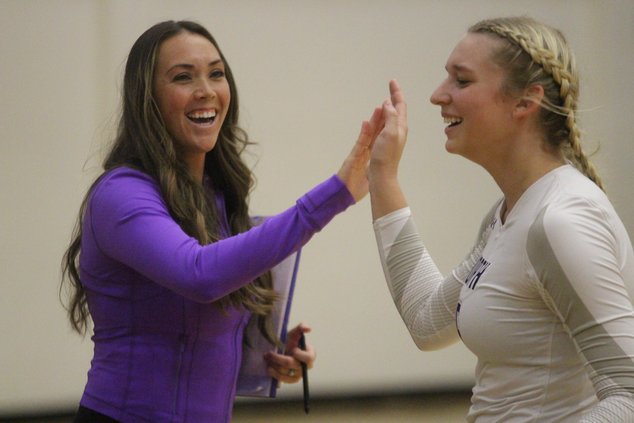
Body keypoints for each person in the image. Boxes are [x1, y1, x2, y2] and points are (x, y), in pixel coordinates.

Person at [60, 20, 382, 423]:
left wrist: (265, 352)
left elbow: (190, 333)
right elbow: (199, 275)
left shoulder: (216, 197)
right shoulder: (120, 194)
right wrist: (332, 196)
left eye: (216, 73)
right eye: (183, 77)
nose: (206, 90)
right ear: (147, 99)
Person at [368, 17, 634, 422]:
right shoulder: (509, 213)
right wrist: (382, 176)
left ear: (525, 102)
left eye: (461, 80)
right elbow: (427, 322)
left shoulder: (559, 222)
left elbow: (628, 397)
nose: (437, 95)